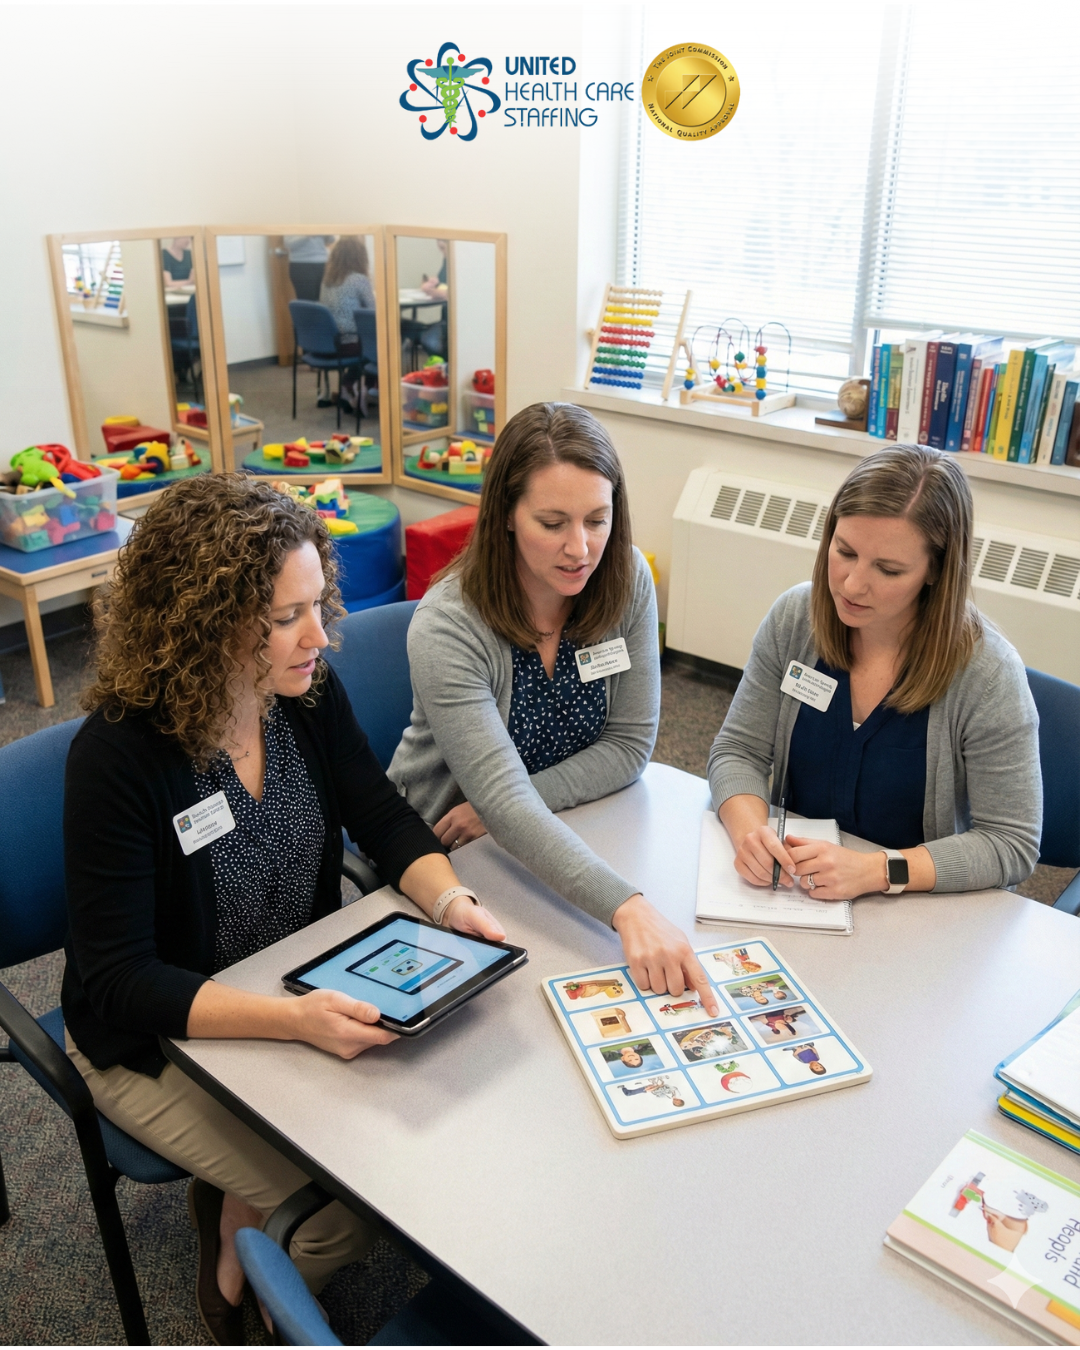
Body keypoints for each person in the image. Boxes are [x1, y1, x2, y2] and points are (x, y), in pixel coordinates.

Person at [62, 474, 504, 1344]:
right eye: (285, 618)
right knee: (351, 1211)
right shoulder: (117, 758)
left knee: (429, 1126)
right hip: (152, 1032)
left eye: (318, 604)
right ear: (200, 624)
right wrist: (291, 1023)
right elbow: (120, 980)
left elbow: (376, 810)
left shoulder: (301, 691)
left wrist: (452, 901)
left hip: (287, 979)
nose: (320, 635)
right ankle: (238, 1256)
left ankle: (237, 1197)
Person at [388, 402, 720, 1014]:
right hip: (443, 855)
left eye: (598, 519)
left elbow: (628, 749)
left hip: (562, 827)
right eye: (552, 523)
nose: (580, 548)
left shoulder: (626, 582)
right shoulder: (450, 623)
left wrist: (509, 806)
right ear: (506, 517)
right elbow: (503, 804)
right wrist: (628, 907)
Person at [708, 444, 1041, 901]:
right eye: (844, 551)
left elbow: (1011, 844)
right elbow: (737, 750)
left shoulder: (987, 675)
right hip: (796, 894)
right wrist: (751, 833)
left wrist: (878, 871)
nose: (852, 584)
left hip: (919, 911)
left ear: (935, 571)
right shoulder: (794, 620)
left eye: (888, 569)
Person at [319, 236, 376, 412]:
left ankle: (349, 387)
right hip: (347, 344)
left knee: (367, 341)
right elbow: (374, 312)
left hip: (325, 344)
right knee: (379, 346)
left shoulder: (327, 280)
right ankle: (359, 388)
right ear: (360, 257)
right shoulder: (359, 279)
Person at [284, 234, 334, 301]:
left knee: (325, 301)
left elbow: (331, 240)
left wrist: (326, 232)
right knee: (307, 302)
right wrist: (308, 235)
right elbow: (288, 244)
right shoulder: (290, 223)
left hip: (322, 263)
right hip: (301, 265)